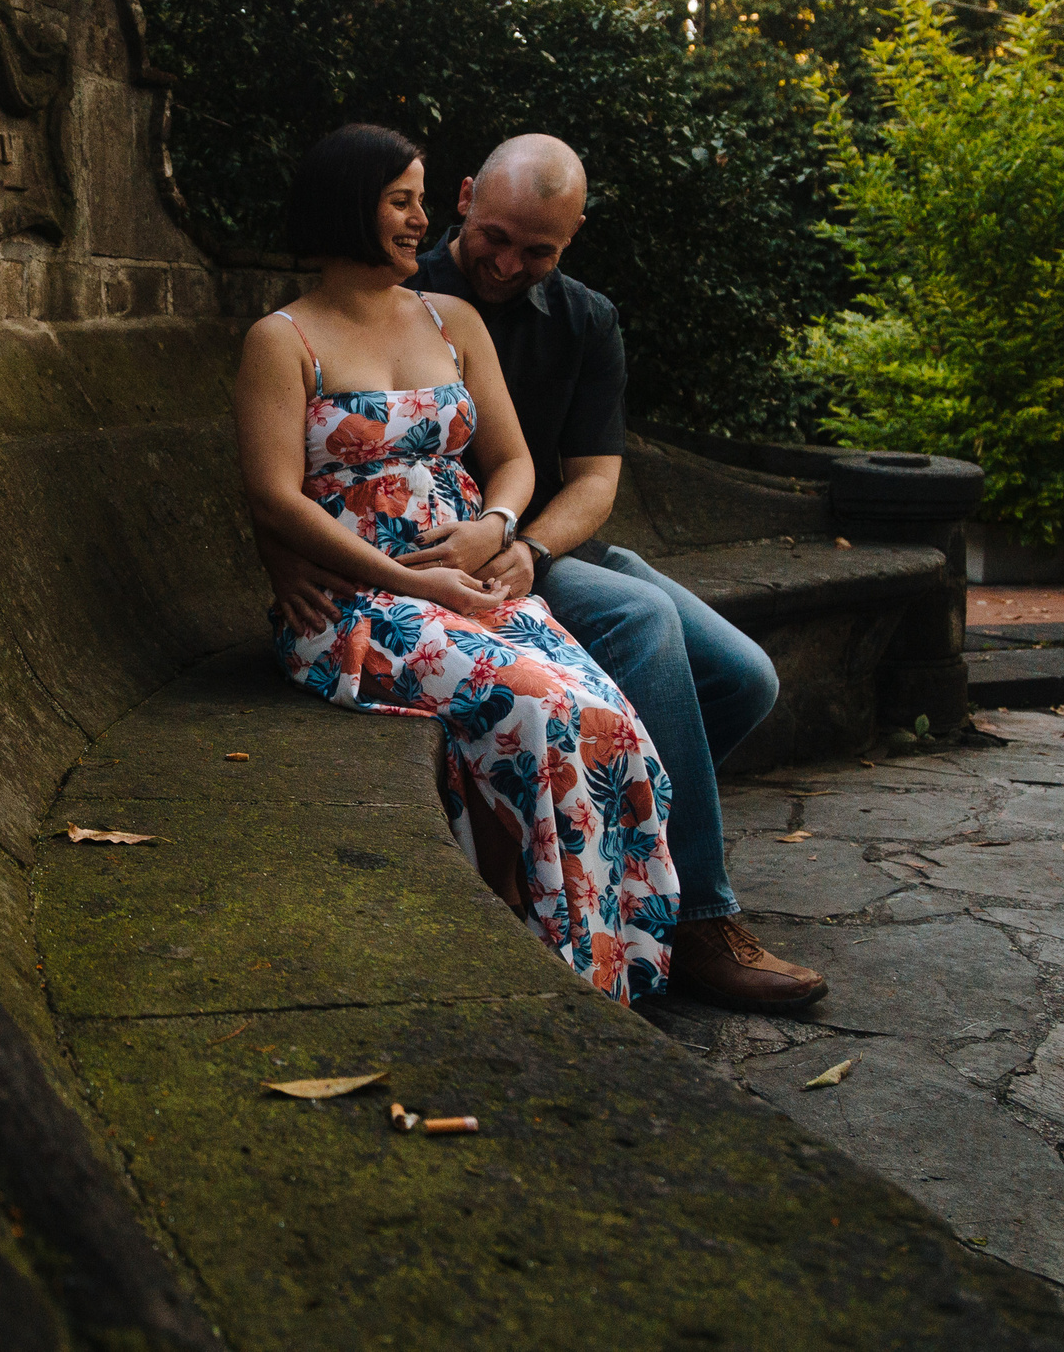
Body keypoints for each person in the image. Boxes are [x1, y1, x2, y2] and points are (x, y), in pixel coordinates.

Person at [261, 133, 828, 1014]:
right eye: (494, 236)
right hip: (419, 572)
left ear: (571, 240)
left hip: (534, 544)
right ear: (462, 202)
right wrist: (295, 551)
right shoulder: (363, 304)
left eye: (539, 250)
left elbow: (590, 478)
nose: (508, 260)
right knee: (640, 630)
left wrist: (513, 538)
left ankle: (614, 847)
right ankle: (700, 918)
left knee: (745, 678)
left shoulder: (569, 318)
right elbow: (278, 477)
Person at [235, 123, 679, 1006]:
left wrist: (499, 526)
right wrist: (412, 581)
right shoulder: (280, 340)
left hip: (467, 582)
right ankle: (563, 965)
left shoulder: (454, 320)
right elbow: (274, 495)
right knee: (545, 706)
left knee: (612, 717)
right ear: (350, 206)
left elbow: (513, 459)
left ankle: (620, 965)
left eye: (421, 199)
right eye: (402, 200)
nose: (420, 219)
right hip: (356, 607)